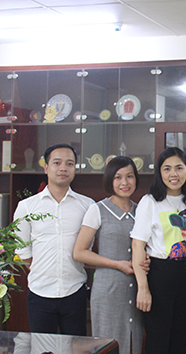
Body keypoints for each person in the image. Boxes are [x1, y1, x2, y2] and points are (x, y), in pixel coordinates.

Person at [15, 143, 95, 335]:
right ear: (46, 167)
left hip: (74, 291)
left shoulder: (87, 205)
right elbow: (23, 250)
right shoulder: (26, 207)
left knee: (76, 346)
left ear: (75, 169)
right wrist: (43, 270)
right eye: (57, 163)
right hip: (39, 293)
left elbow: (87, 247)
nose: (63, 168)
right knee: (43, 347)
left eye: (69, 164)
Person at [130, 147, 186, 354]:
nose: (174, 174)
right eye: (167, 168)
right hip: (160, 276)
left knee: (180, 340)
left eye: (179, 168)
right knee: (158, 341)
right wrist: (143, 287)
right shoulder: (150, 202)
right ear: (160, 173)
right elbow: (138, 245)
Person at [72, 156, 143, 354]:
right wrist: (116, 264)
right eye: (118, 177)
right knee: (107, 345)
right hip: (108, 290)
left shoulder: (141, 211)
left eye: (129, 176)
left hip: (137, 290)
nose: (124, 182)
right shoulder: (97, 210)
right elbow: (79, 252)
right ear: (109, 180)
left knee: (134, 343)